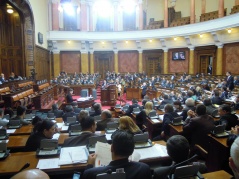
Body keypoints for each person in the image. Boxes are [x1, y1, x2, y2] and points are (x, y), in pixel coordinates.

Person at [82, 130, 152, 179]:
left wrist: (89, 165)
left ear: (112, 148)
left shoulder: (90, 173)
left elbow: (87, 175)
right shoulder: (144, 168)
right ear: (132, 151)